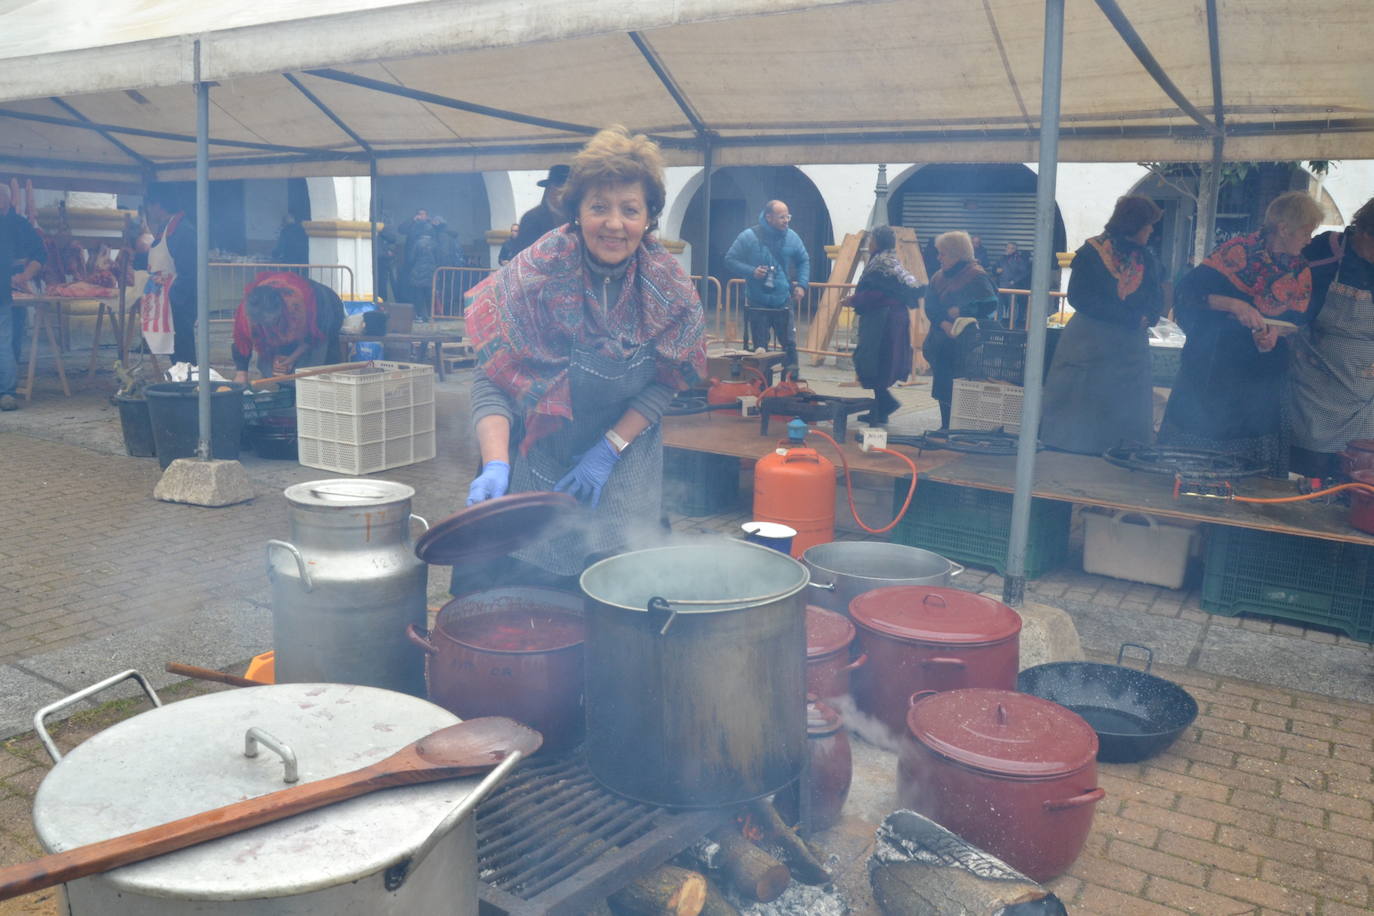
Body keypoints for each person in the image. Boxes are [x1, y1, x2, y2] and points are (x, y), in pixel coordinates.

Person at [461, 125, 707, 590]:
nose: (614, 223)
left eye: (630, 209)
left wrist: (608, 449)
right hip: (541, 451)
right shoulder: (534, 273)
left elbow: (668, 381)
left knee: (615, 586)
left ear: (649, 217)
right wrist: (496, 463)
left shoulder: (671, 288)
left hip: (624, 454)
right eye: (599, 207)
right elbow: (493, 378)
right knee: (528, 588)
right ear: (575, 211)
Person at [1159, 191, 1324, 475]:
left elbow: (1297, 320)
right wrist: (1233, 304)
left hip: (1263, 383)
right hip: (1213, 376)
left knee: (1254, 476)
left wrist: (1274, 335)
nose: (1309, 240)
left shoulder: (1299, 270)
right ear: (1284, 229)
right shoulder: (1235, 253)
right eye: (1305, 232)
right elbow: (1187, 295)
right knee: (1198, 469)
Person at [1039, 196, 1165, 454]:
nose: (1151, 230)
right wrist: (1128, 317)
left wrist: (1150, 315)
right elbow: (1079, 297)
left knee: (1125, 409)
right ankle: (1074, 456)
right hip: (1089, 343)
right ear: (1133, 224)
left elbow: (1156, 296)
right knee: (1082, 406)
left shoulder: (1146, 259)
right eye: (1148, 225)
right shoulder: (1091, 254)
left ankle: (1121, 452)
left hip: (1129, 348)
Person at [1287, 196, 1374, 478]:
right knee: (1312, 474)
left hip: (1366, 400)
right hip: (1317, 390)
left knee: (1356, 475)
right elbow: (1287, 309)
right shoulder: (1324, 252)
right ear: (1362, 232)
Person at [724, 200, 810, 378]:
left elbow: (803, 260)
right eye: (781, 217)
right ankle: (762, 388)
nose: (786, 220)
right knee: (760, 350)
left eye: (788, 216)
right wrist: (751, 271)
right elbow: (730, 259)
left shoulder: (792, 237)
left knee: (790, 346)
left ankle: (791, 385)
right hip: (757, 302)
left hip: (783, 302)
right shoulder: (749, 236)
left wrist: (802, 285)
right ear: (768, 217)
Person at [921, 230, 998, 429]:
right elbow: (930, 306)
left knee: (962, 385)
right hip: (941, 341)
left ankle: (962, 425)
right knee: (943, 384)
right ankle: (946, 425)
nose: (939, 258)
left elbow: (990, 304)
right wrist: (943, 324)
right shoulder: (938, 277)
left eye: (943, 253)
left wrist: (963, 310)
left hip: (969, 343)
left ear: (956, 254)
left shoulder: (976, 276)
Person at [849, 226, 924, 426]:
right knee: (878, 361)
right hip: (888, 319)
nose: (869, 243)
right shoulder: (889, 260)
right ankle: (880, 409)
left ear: (877, 241)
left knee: (877, 360)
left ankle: (884, 407)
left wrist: (853, 300)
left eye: (871, 239)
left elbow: (879, 293)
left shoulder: (882, 263)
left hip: (884, 321)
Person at [230, 272, 345, 383]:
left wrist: (291, 359)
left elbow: (314, 336)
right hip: (292, 322)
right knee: (272, 368)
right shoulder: (246, 311)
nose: (268, 327)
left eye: (273, 322)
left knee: (315, 367)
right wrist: (241, 374)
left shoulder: (300, 306)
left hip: (329, 308)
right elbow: (241, 342)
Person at [140, 184, 197, 364]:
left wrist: (171, 298)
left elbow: (189, 273)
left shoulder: (183, 231)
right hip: (165, 301)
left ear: (158, 205)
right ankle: (180, 385)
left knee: (183, 353)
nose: (149, 210)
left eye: (150, 205)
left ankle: (189, 388)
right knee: (175, 354)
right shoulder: (167, 228)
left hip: (178, 302)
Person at [1, 185, 45, 411]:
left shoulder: (19, 224)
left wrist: (25, 275)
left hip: (10, 291)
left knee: (8, 342)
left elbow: (40, 253)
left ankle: (6, 392)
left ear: (7, 200)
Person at [507, 165, 570, 259]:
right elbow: (522, 256)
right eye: (560, 186)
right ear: (549, 188)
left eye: (568, 187)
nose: (564, 192)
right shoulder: (531, 218)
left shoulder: (576, 216)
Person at [401, 208, 438, 319]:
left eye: (423, 214)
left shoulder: (430, 226)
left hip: (417, 264)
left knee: (421, 291)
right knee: (419, 290)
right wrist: (412, 220)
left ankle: (421, 315)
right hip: (419, 265)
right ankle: (426, 315)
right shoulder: (413, 223)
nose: (421, 216)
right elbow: (401, 229)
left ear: (427, 216)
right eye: (419, 214)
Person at [993, 241, 1032, 326]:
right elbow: (994, 269)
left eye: (1012, 248)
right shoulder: (1001, 258)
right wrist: (996, 271)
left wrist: (1014, 281)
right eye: (1008, 248)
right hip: (1000, 287)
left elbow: (1024, 273)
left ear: (1015, 250)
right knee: (998, 306)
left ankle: (1013, 326)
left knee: (1013, 307)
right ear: (1005, 248)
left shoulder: (1019, 259)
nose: (1009, 250)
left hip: (1012, 287)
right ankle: (997, 325)